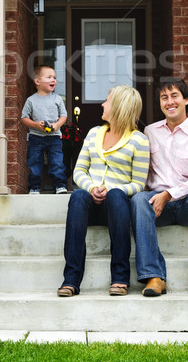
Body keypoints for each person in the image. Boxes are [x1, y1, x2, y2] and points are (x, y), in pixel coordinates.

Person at [57, 85, 150, 297]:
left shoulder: (139, 140)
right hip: (89, 205)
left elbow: (139, 183)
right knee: (78, 195)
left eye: (106, 101)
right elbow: (79, 171)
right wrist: (91, 188)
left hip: (117, 208)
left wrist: (111, 190)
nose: (102, 104)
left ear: (118, 106)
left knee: (117, 195)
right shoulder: (93, 134)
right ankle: (71, 279)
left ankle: (120, 278)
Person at [130, 79, 188, 297]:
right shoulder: (149, 132)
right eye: (164, 98)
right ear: (160, 103)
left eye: (175, 96)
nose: (170, 102)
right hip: (159, 208)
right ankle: (154, 276)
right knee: (139, 200)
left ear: (186, 100)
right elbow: (142, 171)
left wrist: (168, 194)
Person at [21, 65, 68, 194]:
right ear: (37, 81)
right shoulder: (31, 100)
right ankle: (34, 187)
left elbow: (64, 116)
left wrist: (56, 125)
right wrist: (35, 125)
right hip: (36, 137)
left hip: (54, 137)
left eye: (55, 77)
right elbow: (24, 117)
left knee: (56, 162)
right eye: (49, 77)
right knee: (35, 163)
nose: (53, 80)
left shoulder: (57, 98)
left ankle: (59, 186)